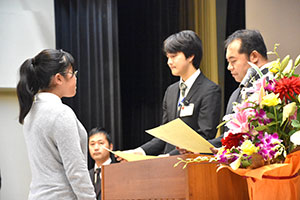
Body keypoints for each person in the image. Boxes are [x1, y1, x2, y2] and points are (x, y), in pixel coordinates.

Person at [119, 30, 221, 158]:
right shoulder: (171, 91)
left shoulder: (210, 90)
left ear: (190, 56)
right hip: (168, 165)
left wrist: (170, 155)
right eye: (168, 57)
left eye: (173, 57)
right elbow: (164, 136)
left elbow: (204, 136)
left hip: (192, 165)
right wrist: (140, 151)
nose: (169, 62)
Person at [16, 49, 96, 199]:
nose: (75, 79)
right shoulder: (61, 113)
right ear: (58, 78)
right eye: (73, 74)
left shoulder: (30, 112)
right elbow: (76, 171)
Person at [208, 29, 270, 148]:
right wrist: (200, 148)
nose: (229, 67)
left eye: (233, 61)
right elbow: (229, 136)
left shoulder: (276, 83)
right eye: (228, 62)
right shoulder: (237, 92)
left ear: (254, 56)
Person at [88, 127, 116, 200]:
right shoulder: (86, 175)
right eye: (92, 144)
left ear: (110, 147)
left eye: (101, 143)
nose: (96, 148)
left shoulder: (118, 172)